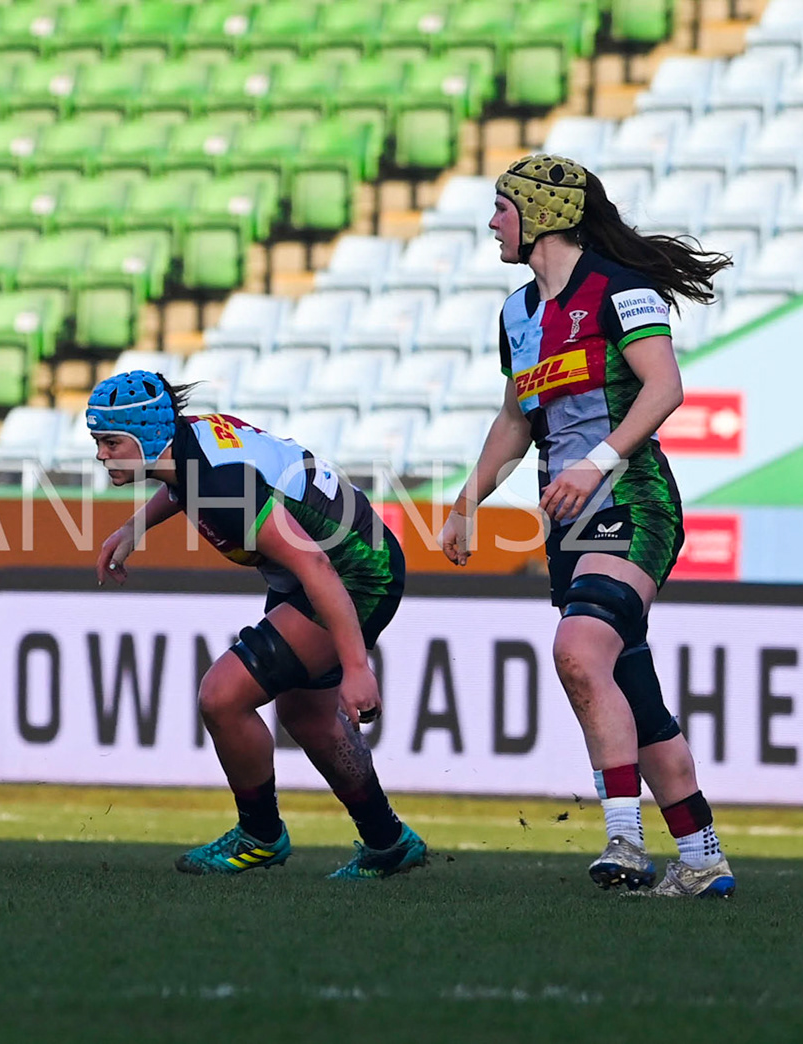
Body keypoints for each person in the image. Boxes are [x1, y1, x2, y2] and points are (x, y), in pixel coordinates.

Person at [439, 154, 736, 898]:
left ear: (542, 215)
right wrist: (467, 499)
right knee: (629, 685)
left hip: (632, 498)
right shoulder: (517, 311)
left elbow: (665, 387)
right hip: (569, 517)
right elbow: (516, 417)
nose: (492, 222)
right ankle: (700, 857)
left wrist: (596, 461)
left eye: (503, 208)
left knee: (577, 649)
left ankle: (624, 840)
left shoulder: (619, 289)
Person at [89, 370, 428, 880]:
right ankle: (387, 841)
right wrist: (134, 526)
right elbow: (184, 483)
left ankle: (260, 835)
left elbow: (316, 566)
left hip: (355, 574)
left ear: (147, 435)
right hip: (326, 567)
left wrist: (358, 667)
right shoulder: (189, 443)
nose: (101, 455)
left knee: (222, 696)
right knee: (307, 718)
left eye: (111, 442)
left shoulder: (220, 485)